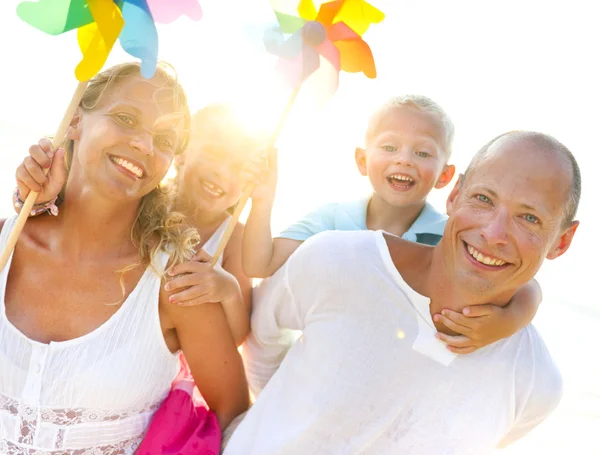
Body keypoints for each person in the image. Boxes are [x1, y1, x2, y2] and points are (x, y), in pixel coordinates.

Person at [224, 131, 580, 454]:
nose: (494, 232)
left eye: (529, 218)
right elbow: (262, 341)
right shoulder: (335, 260)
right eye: (484, 198)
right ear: (454, 196)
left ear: (561, 241)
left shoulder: (536, 385)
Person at [1, 62, 249, 454]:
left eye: (165, 140)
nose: (144, 146)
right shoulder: (5, 243)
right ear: (75, 120)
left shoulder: (173, 282)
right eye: (126, 118)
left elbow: (234, 413)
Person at [242, 95, 543, 353]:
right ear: (362, 159)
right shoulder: (332, 221)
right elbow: (259, 264)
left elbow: (527, 287)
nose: (404, 160)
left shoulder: (449, 236)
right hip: (328, 350)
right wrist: (263, 201)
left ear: (445, 176)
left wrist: (508, 322)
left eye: (423, 153)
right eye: (389, 147)